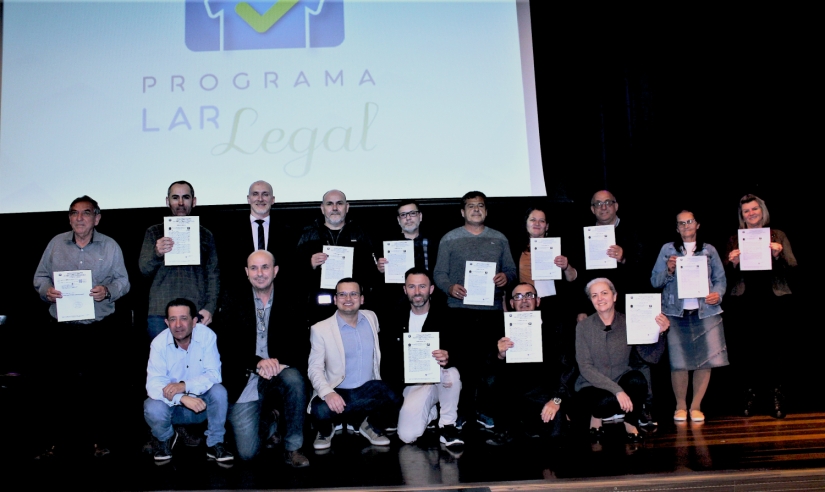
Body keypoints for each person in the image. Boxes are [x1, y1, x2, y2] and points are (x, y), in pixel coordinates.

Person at [32, 195, 130, 458]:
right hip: (61, 329)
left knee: (99, 388)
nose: (79, 218)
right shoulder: (56, 244)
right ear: (69, 218)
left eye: (86, 213)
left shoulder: (110, 246)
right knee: (59, 388)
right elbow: (40, 276)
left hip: (99, 329)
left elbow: (124, 281)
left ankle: (99, 441)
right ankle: (57, 442)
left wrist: (107, 290)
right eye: (74, 213)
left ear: (97, 218)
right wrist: (46, 290)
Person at [217, 251, 310, 466]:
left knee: (295, 380)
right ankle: (270, 420)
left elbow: (301, 341)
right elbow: (226, 344)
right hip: (246, 373)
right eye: (254, 268)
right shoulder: (233, 297)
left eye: (265, 267)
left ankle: (293, 447)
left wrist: (278, 363)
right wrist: (257, 362)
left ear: (275, 271)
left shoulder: (292, 297)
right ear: (246, 272)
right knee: (247, 453)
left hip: (279, 368)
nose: (260, 273)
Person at [433, 191, 517, 429]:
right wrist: (450, 287)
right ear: (463, 212)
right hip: (459, 311)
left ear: (486, 211)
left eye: (480, 205)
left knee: (490, 366)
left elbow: (511, 271)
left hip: (491, 312)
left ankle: (485, 411)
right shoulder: (449, 239)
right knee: (461, 365)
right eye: (471, 206)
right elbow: (439, 273)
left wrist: (505, 277)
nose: (476, 209)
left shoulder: (499, 238)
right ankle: (462, 412)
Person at [651, 210, 729, 423]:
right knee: (678, 361)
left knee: (705, 360)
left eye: (690, 222)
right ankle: (680, 406)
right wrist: (668, 270)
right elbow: (655, 281)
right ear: (677, 228)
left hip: (706, 312)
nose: (686, 226)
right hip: (675, 312)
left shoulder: (709, 250)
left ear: (698, 224)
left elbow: (721, 279)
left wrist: (717, 294)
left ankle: (696, 406)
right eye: (681, 223)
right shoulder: (667, 249)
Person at [724, 194, 797, 418]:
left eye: (754, 209)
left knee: (776, 351)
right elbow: (723, 277)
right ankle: (750, 395)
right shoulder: (735, 238)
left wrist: (779, 255)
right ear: (742, 215)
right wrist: (732, 263)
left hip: (774, 300)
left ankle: (776, 397)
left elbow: (793, 267)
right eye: (746, 211)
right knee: (747, 351)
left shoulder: (778, 235)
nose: (751, 213)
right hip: (745, 302)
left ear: (762, 210)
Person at [307, 278, 401, 450]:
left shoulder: (371, 318)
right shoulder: (320, 329)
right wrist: (328, 393)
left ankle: (369, 425)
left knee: (394, 396)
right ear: (335, 299)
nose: (348, 299)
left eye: (353, 294)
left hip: (366, 390)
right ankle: (327, 429)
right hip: (337, 390)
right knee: (319, 410)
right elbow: (314, 368)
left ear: (362, 299)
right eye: (342, 294)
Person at [575, 278, 668, 443]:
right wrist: (617, 391)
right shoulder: (583, 327)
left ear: (615, 296)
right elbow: (585, 367)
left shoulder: (629, 322)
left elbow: (651, 357)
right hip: (591, 385)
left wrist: (660, 332)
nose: (600, 298)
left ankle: (630, 422)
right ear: (591, 300)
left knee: (638, 380)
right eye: (594, 295)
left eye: (604, 293)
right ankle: (596, 416)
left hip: (621, 378)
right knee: (603, 402)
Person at [380, 267, 463, 446]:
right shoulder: (394, 318)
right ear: (405, 289)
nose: (417, 292)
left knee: (451, 374)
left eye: (422, 286)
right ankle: (430, 412)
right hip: (413, 383)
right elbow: (387, 362)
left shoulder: (448, 316)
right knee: (407, 436)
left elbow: (464, 352)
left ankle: (448, 424)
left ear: (431, 289)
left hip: (441, 379)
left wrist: (449, 357)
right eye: (412, 287)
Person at [486, 283, 577, 446]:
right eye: (518, 297)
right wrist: (499, 355)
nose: (524, 300)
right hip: (512, 397)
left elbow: (568, 367)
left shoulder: (555, 328)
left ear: (538, 301)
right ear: (511, 303)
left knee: (556, 437)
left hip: (545, 395)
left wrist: (556, 400)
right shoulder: (501, 329)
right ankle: (506, 430)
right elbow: (488, 370)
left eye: (529, 295)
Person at [144, 298, 233, 462]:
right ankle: (165, 439)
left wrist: (184, 386)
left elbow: (214, 374)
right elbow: (153, 385)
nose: (178, 325)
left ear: (194, 321)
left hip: (201, 404)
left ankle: (215, 443)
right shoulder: (158, 344)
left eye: (184, 318)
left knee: (219, 391)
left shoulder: (207, 336)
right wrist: (181, 397)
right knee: (152, 407)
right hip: (173, 407)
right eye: (173, 319)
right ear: (166, 323)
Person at [139, 181, 220, 340]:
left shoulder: (205, 235)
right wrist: (157, 253)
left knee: (196, 357)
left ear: (194, 201)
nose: (181, 203)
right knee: (161, 356)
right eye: (175, 198)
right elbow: (144, 269)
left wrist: (210, 308)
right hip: (160, 311)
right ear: (167, 201)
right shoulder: (154, 232)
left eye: (186, 197)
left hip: (195, 311)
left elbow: (213, 275)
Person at [297, 190, 377, 325]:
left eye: (339, 203)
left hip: (352, 305)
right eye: (329, 204)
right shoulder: (308, 235)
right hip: (318, 307)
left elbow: (371, 273)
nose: (334, 208)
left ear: (347, 207)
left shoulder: (360, 234)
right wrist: (309, 263)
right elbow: (294, 272)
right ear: (322, 208)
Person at [218, 180, 298, 293]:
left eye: (265, 194)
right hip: (240, 294)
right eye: (255, 194)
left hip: (279, 294)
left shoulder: (288, 232)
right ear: (248, 199)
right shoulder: (230, 231)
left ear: (272, 200)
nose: (260, 199)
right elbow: (227, 266)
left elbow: (290, 267)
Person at [510, 206, 578, 324]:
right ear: (526, 223)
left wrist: (566, 266)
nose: (537, 223)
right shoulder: (515, 249)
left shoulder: (558, 247)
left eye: (541, 221)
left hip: (553, 304)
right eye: (533, 220)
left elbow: (572, 278)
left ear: (547, 226)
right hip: (525, 304)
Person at [376, 200, 444, 313]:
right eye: (403, 215)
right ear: (398, 220)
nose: (408, 218)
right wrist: (380, 269)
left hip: (431, 301)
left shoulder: (435, 243)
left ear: (420, 216)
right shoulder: (387, 246)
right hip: (397, 303)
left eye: (412, 213)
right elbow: (377, 280)